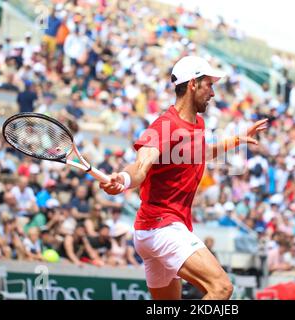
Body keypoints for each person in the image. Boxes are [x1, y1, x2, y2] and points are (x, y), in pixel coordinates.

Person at [100, 56, 268, 300]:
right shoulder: (164, 126)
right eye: (208, 84)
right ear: (192, 84)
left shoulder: (196, 124)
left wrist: (236, 140)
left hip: (152, 230)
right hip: (162, 228)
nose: (212, 92)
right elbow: (140, 166)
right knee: (221, 288)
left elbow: (200, 153)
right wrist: (124, 180)